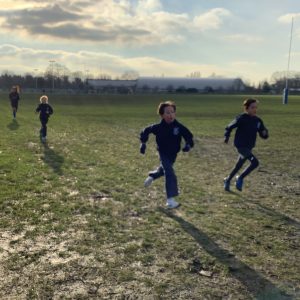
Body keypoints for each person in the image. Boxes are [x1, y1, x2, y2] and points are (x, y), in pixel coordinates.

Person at [140, 101, 194, 209]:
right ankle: (170, 200)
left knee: (163, 171)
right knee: (169, 172)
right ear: (162, 115)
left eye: (172, 112)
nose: (171, 115)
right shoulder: (158, 127)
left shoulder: (179, 127)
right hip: (162, 153)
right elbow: (145, 131)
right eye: (167, 112)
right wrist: (143, 143)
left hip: (173, 154)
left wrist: (188, 145)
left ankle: (152, 176)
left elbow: (189, 137)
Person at [223, 98, 269, 192]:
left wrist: (265, 134)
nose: (255, 109)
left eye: (256, 107)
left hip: (249, 146)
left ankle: (227, 180)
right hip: (240, 146)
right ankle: (240, 178)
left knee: (239, 165)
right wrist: (226, 136)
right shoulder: (241, 118)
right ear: (246, 108)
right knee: (255, 162)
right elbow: (229, 127)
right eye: (252, 107)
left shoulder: (258, 120)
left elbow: (262, 133)